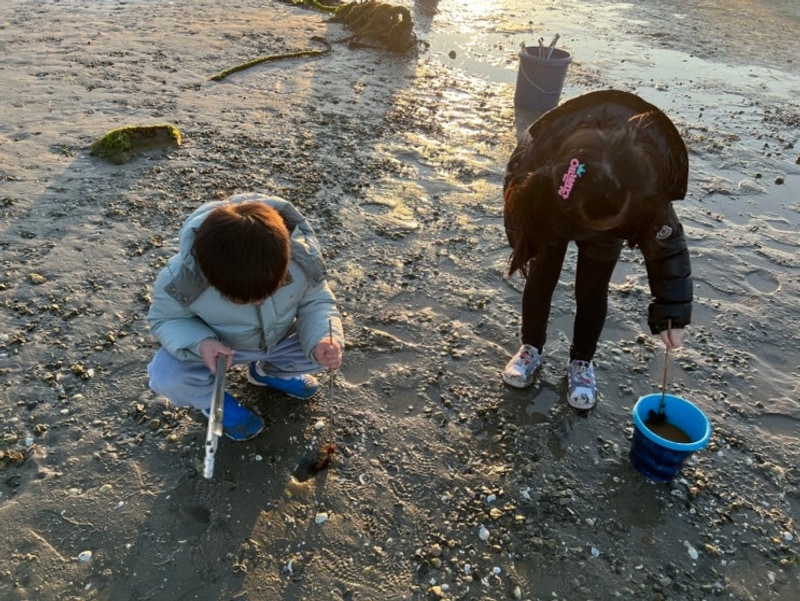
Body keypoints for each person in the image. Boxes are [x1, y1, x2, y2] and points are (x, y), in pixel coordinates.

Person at [501, 89, 692, 410]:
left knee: (592, 289)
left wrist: (672, 312)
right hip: (558, 207)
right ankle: (530, 347)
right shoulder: (545, 171)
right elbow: (519, 206)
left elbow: (668, 244)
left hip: (611, 209)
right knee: (541, 274)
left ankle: (581, 362)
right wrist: (528, 241)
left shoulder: (641, 183)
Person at [147, 193, 344, 441]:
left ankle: (269, 373)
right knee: (167, 375)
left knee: (324, 350)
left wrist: (322, 340)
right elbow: (165, 320)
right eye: (239, 298)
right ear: (209, 275)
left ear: (285, 262)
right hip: (218, 351)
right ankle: (215, 402)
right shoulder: (183, 279)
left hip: (278, 340)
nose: (256, 302)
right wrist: (201, 343)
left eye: (269, 290)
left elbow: (317, 302)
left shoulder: (302, 261)